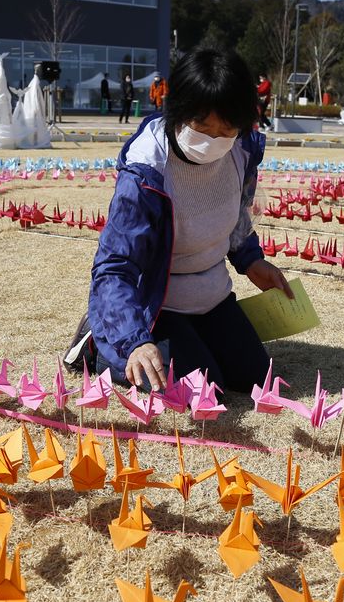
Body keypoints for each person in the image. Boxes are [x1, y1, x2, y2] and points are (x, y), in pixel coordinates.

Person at [71, 48, 292, 394]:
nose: (213, 140)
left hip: (211, 296)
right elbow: (115, 267)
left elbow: (237, 213)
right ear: (177, 111)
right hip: (157, 305)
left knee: (255, 379)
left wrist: (251, 260)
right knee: (203, 389)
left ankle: (193, 339)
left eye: (226, 129)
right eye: (202, 126)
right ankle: (102, 345)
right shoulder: (145, 173)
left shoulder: (242, 150)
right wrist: (134, 341)